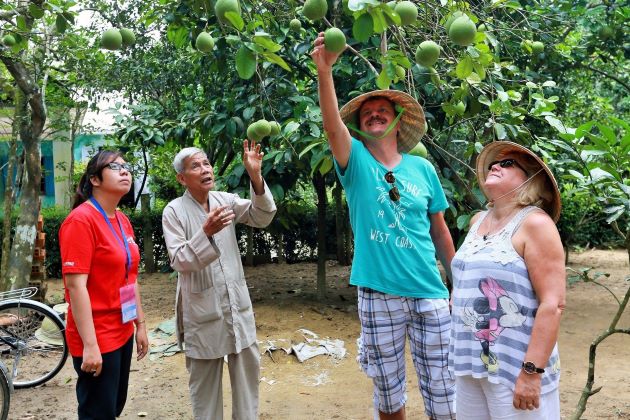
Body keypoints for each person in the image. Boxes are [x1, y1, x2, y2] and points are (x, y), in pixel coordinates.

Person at [311, 33, 456, 420]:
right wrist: (325, 70)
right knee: (389, 397)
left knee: (444, 392)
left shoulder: (423, 168)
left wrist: (459, 281)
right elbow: (331, 128)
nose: (374, 114)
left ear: (396, 121)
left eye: (382, 110)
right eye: (367, 112)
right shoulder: (355, 162)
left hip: (430, 292)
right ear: (359, 126)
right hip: (379, 295)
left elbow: (439, 231)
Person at [449, 141, 565, 419]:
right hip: (469, 365)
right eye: (494, 163)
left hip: (515, 369)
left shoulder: (535, 224)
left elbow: (553, 304)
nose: (496, 166)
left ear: (531, 179)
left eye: (508, 163)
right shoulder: (477, 220)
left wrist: (531, 372)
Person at [161, 140, 276, 420]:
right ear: (182, 178)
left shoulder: (225, 201)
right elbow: (180, 260)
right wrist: (206, 233)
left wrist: (255, 176)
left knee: (248, 387)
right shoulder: (174, 211)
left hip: (238, 309)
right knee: (206, 397)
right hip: (203, 315)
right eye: (195, 166)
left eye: (206, 163)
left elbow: (262, 216)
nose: (204, 169)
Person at [59, 150, 149, 419]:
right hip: (97, 334)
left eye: (127, 167)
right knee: (97, 412)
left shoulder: (121, 220)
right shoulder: (80, 220)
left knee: (113, 407)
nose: (125, 171)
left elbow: (129, 276)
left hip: (122, 330)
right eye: (114, 167)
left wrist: (140, 324)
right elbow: (76, 287)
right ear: (94, 179)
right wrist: (90, 345)